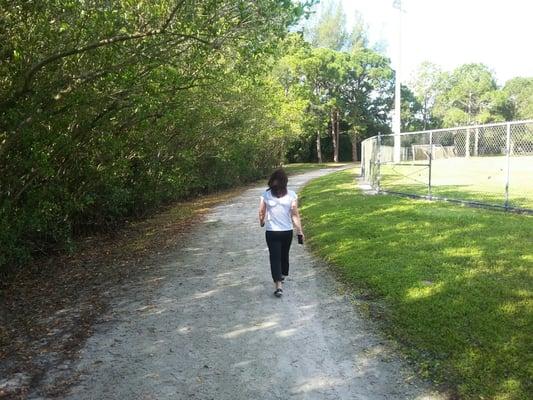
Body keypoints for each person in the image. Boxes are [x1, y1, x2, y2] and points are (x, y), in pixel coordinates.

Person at [258, 168, 304, 297]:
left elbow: (261, 212)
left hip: (272, 232)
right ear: (285, 182)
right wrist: (299, 231)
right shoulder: (292, 195)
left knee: (275, 257)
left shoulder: (266, 195)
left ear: (271, 182)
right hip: (287, 232)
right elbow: (295, 214)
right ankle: (280, 280)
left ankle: (279, 280)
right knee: (283, 255)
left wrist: (261, 222)